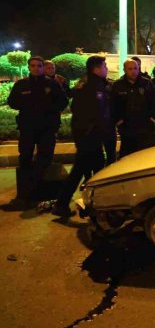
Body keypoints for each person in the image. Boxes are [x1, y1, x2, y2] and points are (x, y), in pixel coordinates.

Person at [52, 56, 113, 217]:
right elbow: (90, 112)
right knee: (81, 169)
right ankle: (62, 203)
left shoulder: (92, 82)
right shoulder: (91, 85)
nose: (106, 68)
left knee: (97, 167)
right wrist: (95, 130)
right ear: (97, 68)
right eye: (104, 66)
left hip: (90, 134)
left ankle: (95, 202)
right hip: (89, 135)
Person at [8, 56, 68, 200]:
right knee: (25, 157)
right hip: (28, 127)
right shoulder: (21, 85)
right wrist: (27, 105)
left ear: (43, 68)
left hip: (47, 128)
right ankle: (26, 193)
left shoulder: (52, 84)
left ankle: (43, 192)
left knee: (45, 158)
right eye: (33, 66)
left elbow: (63, 101)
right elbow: (12, 102)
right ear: (29, 68)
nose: (36, 68)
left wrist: (49, 109)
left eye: (39, 66)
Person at [111, 59, 155, 157]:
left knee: (147, 157)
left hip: (146, 129)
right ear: (124, 70)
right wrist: (118, 122)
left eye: (135, 68)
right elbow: (113, 105)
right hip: (127, 129)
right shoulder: (118, 85)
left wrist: (153, 120)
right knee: (127, 158)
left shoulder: (147, 83)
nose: (133, 71)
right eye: (130, 69)